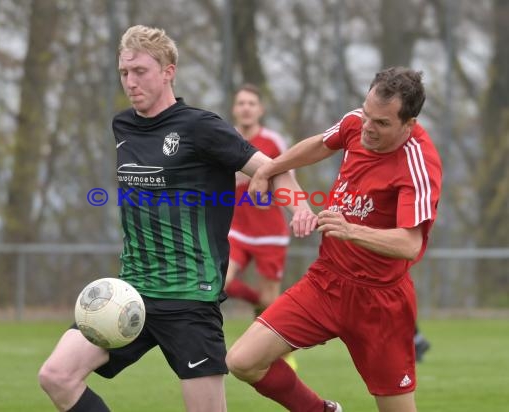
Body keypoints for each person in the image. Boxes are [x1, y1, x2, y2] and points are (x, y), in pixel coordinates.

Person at [37, 25, 302, 412]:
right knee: (57, 376)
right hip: (130, 296)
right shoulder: (122, 126)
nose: (131, 82)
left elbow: (272, 168)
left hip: (189, 298)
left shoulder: (201, 127)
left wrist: (302, 207)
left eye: (140, 71)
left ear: (168, 71)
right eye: (124, 73)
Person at [226, 67, 442, 412]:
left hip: (380, 302)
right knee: (242, 360)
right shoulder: (359, 122)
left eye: (382, 123)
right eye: (367, 114)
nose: (368, 127)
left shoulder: (418, 163)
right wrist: (269, 168)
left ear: (409, 124)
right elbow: (319, 144)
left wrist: (350, 230)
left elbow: (410, 244)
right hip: (326, 283)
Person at [225, 84, 289, 313]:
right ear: (234, 109)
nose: (246, 108)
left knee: (269, 302)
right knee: (221, 281)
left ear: (260, 109)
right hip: (236, 230)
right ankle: (257, 301)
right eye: (241, 103)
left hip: (269, 233)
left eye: (251, 104)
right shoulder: (224, 138)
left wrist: (262, 181)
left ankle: (277, 345)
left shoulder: (273, 142)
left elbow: (289, 179)